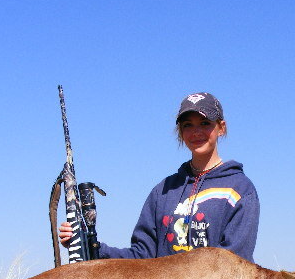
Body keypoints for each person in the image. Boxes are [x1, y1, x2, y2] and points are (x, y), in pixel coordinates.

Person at [59, 92, 260, 262]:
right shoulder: (163, 191)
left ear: (221, 128)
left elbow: (234, 264)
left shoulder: (240, 189)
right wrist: (89, 246)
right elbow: (142, 257)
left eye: (205, 123)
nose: (196, 132)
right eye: (188, 125)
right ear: (180, 132)